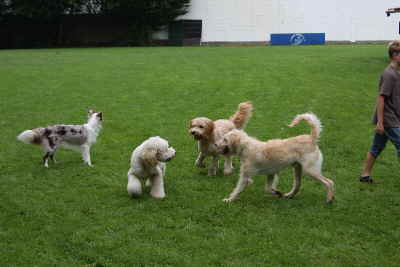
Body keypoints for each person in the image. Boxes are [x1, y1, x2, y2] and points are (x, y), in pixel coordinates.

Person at [360, 41, 400, 183]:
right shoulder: (389, 74)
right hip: (388, 119)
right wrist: (380, 122)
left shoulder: (396, 73)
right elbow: (381, 98)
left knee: (377, 146)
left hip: (394, 117)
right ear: (395, 55)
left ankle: (365, 175)